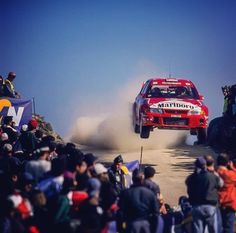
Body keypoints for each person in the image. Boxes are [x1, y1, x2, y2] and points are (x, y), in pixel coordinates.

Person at [185, 156, 221, 233]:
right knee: (213, 229)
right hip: (210, 206)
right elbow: (220, 184)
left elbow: (187, 184)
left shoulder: (191, 178)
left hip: (196, 206)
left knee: (198, 230)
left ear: (195, 165)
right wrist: (213, 172)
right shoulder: (212, 176)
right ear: (205, 165)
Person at [118, 168, 159, 233]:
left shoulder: (125, 193)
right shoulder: (150, 193)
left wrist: (120, 229)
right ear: (143, 179)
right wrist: (153, 229)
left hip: (130, 225)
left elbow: (120, 213)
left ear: (132, 179)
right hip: (146, 225)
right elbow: (156, 213)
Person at [217, 153, 236, 233]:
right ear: (228, 162)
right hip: (230, 203)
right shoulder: (231, 174)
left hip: (217, 203)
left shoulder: (214, 172)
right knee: (229, 227)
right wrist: (233, 168)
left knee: (218, 226)